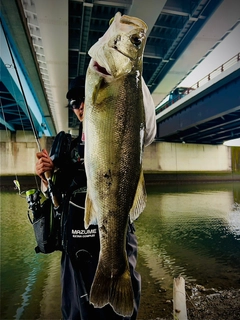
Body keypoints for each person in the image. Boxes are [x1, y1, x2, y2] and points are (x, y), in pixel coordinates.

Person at [35, 75, 156, 320]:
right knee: (76, 313)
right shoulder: (64, 145)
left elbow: (148, 130)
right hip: (74, 244)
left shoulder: (120, 134)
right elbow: (52, 195)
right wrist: (45, 176)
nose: (79, 107)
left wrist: (131, 73)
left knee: (120, 311)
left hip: (114, 239)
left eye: (82, 99)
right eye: (74, 104)